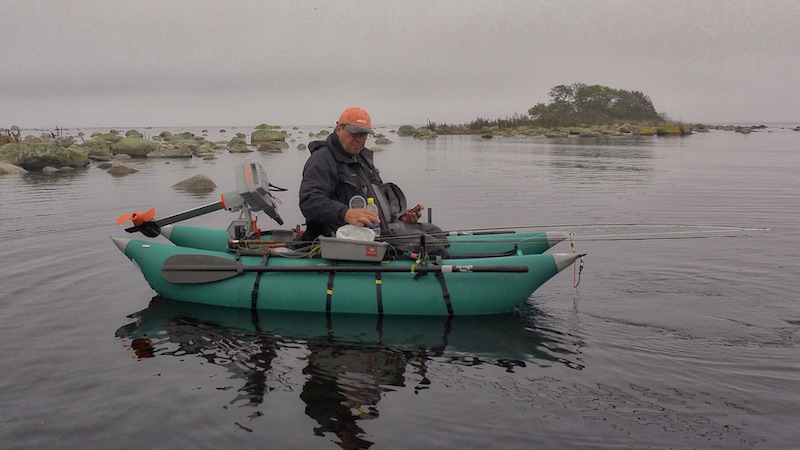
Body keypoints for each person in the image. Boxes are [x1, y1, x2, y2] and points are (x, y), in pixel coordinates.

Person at [299, 106, 449, 256]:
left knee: (437, 233)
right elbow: (309, 200)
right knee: (431, 245)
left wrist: (401, 217)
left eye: (364, 134)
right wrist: (345, 213)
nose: (359, 139)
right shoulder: (322, 160)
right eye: (354, 133)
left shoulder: (362, 158)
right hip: (350, 236)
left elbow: (378, 198)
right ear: (339, 129)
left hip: (381, 229)